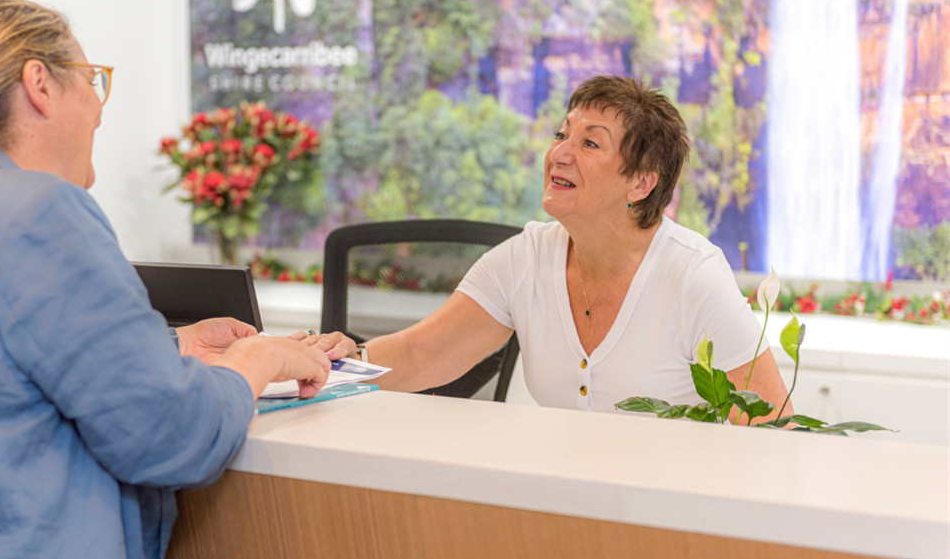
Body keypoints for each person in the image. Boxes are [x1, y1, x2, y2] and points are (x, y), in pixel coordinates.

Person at [0, 0, 354, 559]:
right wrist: (256, 359)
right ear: (40, 85)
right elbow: (175, 438)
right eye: (92, 80)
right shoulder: (41, 210)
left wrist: (167, 349)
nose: (99, 108)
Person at [323, 76, 792, 420]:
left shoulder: (694, 276)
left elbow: (773, 423)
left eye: (590, 143)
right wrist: (337, 366)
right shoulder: (524, 258)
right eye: (562, 134)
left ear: (642, 183)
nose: (560, 153)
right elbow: (420, 353)